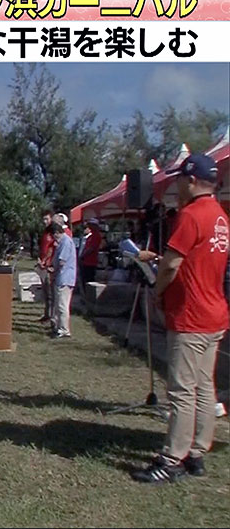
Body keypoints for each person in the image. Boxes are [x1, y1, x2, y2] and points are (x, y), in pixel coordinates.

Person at [132, 154, 229, 484]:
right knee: (205, 388)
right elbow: (192, 258)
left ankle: (173, 458)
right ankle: (198, 451)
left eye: (178, 181)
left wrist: (158, 291)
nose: (175, 187)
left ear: (190, 181)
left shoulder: (190, 215)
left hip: (191, 316)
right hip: (215, 314)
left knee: (182, 390)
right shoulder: (219, 216)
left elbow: (172, 267)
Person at [50, 222, 76, 339]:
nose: (54, 238)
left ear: (57, 233)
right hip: (61, 277)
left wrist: (54, 270)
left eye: (54, 235)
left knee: (62, 305)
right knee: (59, 304)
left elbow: (62, 261)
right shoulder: (63, 242)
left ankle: (64, 330)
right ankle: (58, 326)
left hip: (64, 277)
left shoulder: (66, 242)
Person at [36, 211, 55, 323]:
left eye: (47, 219)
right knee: (45, 292)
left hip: (48, 265)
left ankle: (51, 316)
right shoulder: (45, 232)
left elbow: (51, 249)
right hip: (42, 263)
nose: (45, 222)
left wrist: (45, 261)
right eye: (43, 219)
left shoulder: (53, 233)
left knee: (50, 292)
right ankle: (47, 313)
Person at [79, 219, 103, 291]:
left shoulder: (96, 236)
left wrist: (82, 255)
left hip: (90, 262)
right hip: (86, 261)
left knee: (89, 280)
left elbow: (91, 248)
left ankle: (89, 295)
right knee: (84, 279)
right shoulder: (90, 236)